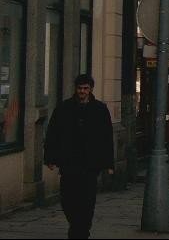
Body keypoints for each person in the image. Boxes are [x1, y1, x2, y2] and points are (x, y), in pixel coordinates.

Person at [44, 74, 114, 239]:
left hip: (90, 165)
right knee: (67, 200)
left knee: (87, 202)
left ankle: (80, 232)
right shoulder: (64, 108)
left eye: (85, 88)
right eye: (80, 88)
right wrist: (50, 158)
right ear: (75, 89)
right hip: (69, 163)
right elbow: (53, 134)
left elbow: (106, 137)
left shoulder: (99, 109)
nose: (82, 91)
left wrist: (109, 164)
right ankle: (77, 227)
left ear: (90, 90)